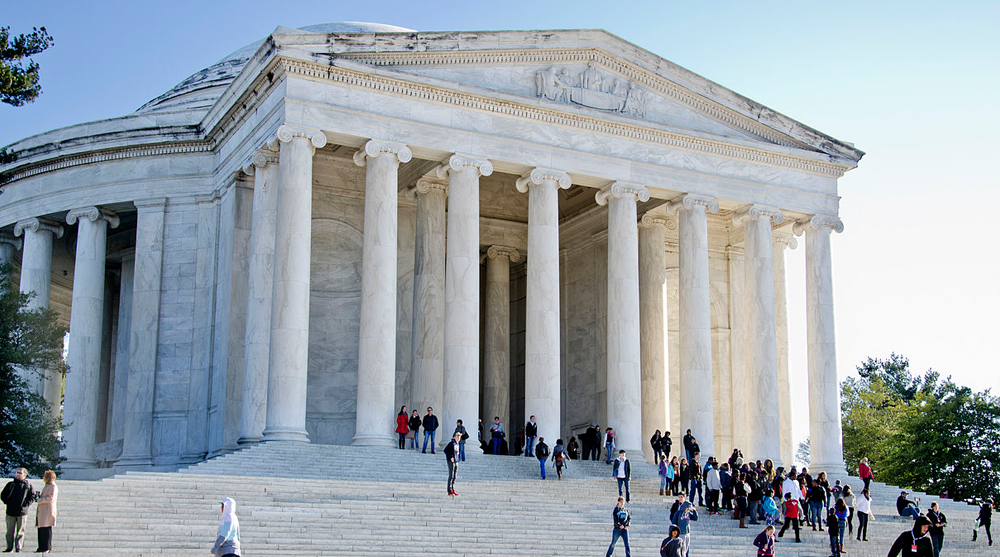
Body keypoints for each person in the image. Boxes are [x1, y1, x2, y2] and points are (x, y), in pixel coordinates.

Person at [2, 468, 36, 553]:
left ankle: (18, 547)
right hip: (10, 511)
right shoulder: (10, 484)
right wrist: (8, 502)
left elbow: (32, 496)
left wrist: (25, 505)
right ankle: (9, 547)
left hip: (22, 512)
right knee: (9, 531)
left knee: (20, 531)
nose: (18, 474)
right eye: (17, 472)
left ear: (24, 475)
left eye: (20, 473)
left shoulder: (28, 485)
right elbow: (3, 495)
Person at [34, 470, 57, 554]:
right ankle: (41, 547)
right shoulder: (47, 486)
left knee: (46, 529)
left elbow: (51, 498)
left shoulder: (53, 486)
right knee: (41, 529)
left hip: (47, 510)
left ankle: (46, 547)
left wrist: (39, 500)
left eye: (45, 476)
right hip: (42, 510)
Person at [670, 493, 698, 557]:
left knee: (686, 549)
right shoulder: (678, 512)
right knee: (681, 549)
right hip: (680, 533)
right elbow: (673, 521)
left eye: (681, 497)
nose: (688, 508)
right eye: (679, 497)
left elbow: (695, 518)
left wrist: (694, 511)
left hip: (687, 533)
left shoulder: (689, 513)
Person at [445, 431, 461, 496]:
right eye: (457, 436)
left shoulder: (457, 444)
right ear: (454, 437)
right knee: (451, 475)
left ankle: (453, 489)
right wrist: (451, 457)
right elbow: (446, 450)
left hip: (456, 461)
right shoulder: (451, 443)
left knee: (454, 476)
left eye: (459, 437)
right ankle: (449, 489)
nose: (458, 438)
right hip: (451, 461)